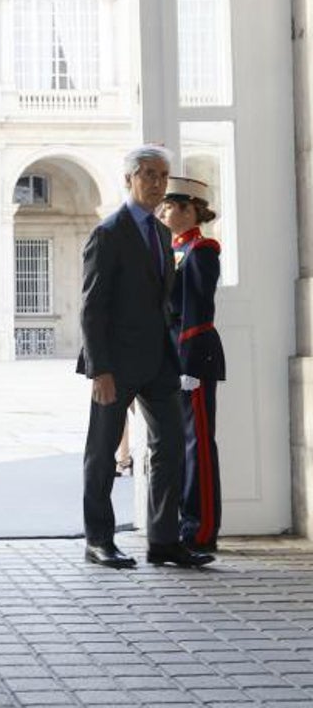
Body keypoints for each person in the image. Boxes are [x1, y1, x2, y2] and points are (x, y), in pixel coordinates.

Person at [77, 145, 215, 570]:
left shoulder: (160, 232)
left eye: (162, 176)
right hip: (115, 364)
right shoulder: (109, 232)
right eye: (148, 175)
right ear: (128, 180)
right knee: (103, 452)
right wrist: (100, 369)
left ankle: (164, 541)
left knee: (170, 447)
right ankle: (99, 541)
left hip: (159, 362)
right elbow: (92, 306)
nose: (156, 183)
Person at [156, 176, 226, 552]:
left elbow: (198, 312)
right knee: (180, 444)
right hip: (173, 355)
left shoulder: (201, 250)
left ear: (189, 210)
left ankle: (200, 530)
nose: (163, 213)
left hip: (193, 357)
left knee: (197, 443)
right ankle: (184, 521)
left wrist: (187, 365)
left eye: (169, 207)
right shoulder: (174, 250)